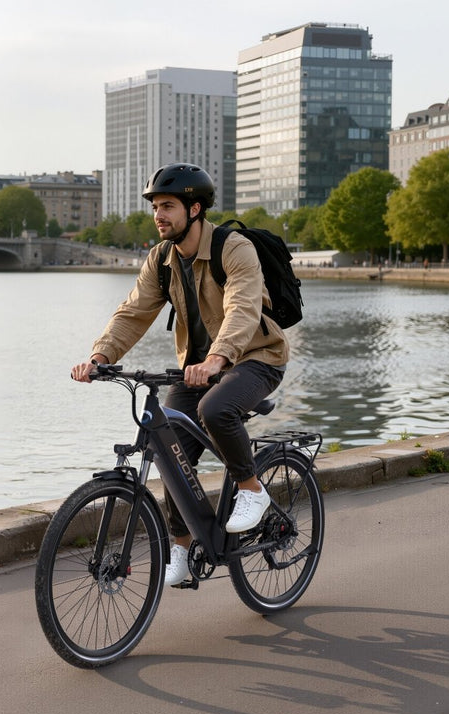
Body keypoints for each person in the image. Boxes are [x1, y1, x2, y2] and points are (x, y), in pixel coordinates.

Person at [70, 163, 289, 587]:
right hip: (195, 367)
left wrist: (219, 358)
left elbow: (243, 308)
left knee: (216, 408)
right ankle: (184, 545)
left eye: (167, 206)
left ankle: (251, 489)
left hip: (255, 357)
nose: (158, 215)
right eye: (155, 207)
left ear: (194, 208)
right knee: (171, 447)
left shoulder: (234, 248)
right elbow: (133, 313)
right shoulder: (162, 260)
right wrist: (99, 357)